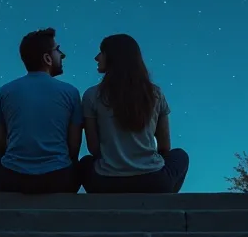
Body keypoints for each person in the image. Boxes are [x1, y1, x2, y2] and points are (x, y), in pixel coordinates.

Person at [0, 27, 83, 194]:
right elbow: (74, 146)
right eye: (57, 50)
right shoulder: (71, 93)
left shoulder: (5, 91)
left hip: (14, 180)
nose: (62, 55)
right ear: (47, 58)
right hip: (59, 181)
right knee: (84, 163)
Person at [78, 34, 189, 194]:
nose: (96, 58)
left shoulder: (91, 95)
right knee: (180, 155)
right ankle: (164, 200)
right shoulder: (155, 94)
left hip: (105, 183)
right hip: (153, 182)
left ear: (114, 56)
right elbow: (165, 147)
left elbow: (94, 148)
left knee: (85, 162)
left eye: (101, 52)